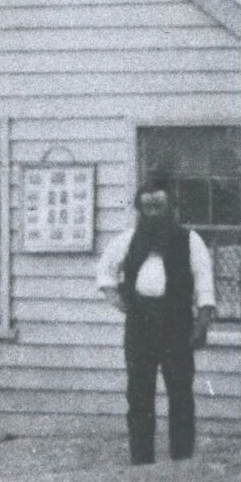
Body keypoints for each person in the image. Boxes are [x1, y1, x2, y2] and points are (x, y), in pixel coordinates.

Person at [95, 176, 218, 466]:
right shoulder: (127, 240)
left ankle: (182, 461)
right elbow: (104, 272)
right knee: (139, 398)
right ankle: (141, 462)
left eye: (159, 206)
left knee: (181, 396)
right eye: (147, 207)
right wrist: (122, 303)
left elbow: (204, 284)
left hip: (177, 327)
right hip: (140, 328)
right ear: (140, 208)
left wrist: (201, 323)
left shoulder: (191, 241)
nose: (153, 213)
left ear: (171, 207)